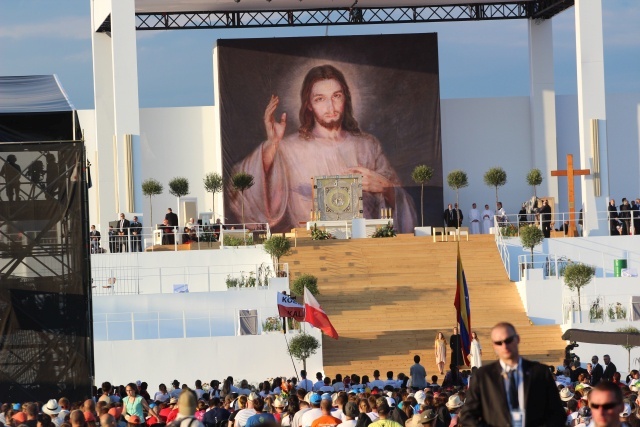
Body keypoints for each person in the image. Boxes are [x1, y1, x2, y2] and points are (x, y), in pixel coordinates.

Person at [227, 64, 417, 233]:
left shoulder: (367, 145)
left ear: (345, 98)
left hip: (365, 243)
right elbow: (242, 192)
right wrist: (272, 144)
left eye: (336, 96)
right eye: (320, 99)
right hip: (313, 244)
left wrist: (386, 188)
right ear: (308, 104)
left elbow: (402, 205)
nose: (330, 106)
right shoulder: (289, 148)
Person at [458, 322, 565, 426]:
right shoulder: (483, 376)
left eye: (508, 340)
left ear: (517, 339)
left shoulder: (540, 373)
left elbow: (557, 413)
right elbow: (467, 415)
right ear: (494, 346)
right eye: (499, 343)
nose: (504, 346)